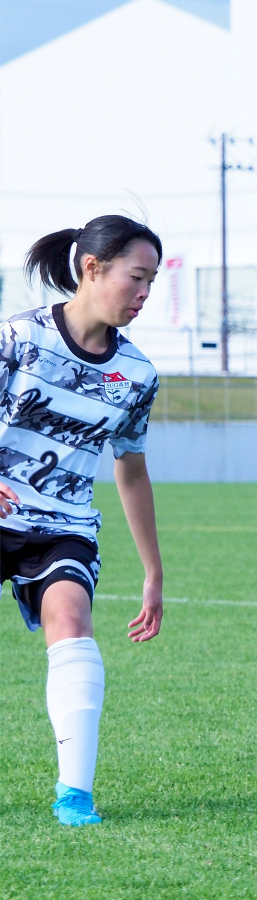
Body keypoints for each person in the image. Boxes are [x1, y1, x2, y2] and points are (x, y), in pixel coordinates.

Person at [1, 215, 165, 826]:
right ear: (91, 268)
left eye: (151, 282)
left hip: (63, 523)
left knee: (70, 618)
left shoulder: (137, 376)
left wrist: (153, 572)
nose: (144, 294)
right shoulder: (17, 339)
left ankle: (75, 794)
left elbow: (131, 471)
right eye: (136, 278)